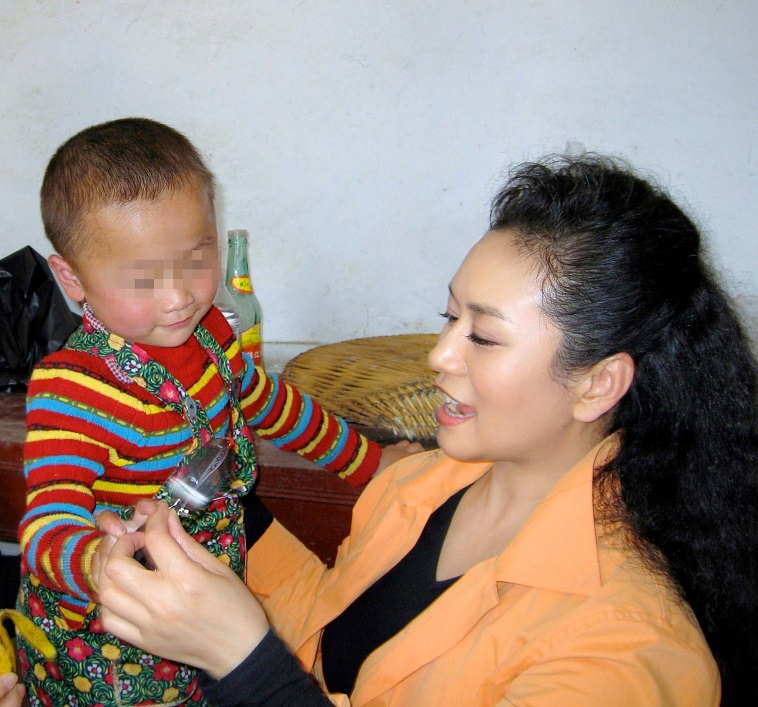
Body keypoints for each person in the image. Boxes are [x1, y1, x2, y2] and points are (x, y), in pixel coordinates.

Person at [94, 154, 758, 706]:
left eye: (484, 337)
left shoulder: (624, 650)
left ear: (597, 384)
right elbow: (326, 632)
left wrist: (241, 659)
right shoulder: (422, 482)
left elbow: (274, 670)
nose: (440, 355)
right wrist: (219, 518)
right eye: (449, 317)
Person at [17, 117, 421, 706]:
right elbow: (48, 517)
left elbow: (271, 404)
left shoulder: (210, 333)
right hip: (114, 634)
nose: (179, 296)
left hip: (208, 588)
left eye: (196, 257)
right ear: (71, 279)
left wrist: (373, 465)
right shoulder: (73, 389)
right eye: (143, 279)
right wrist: (97, 560)